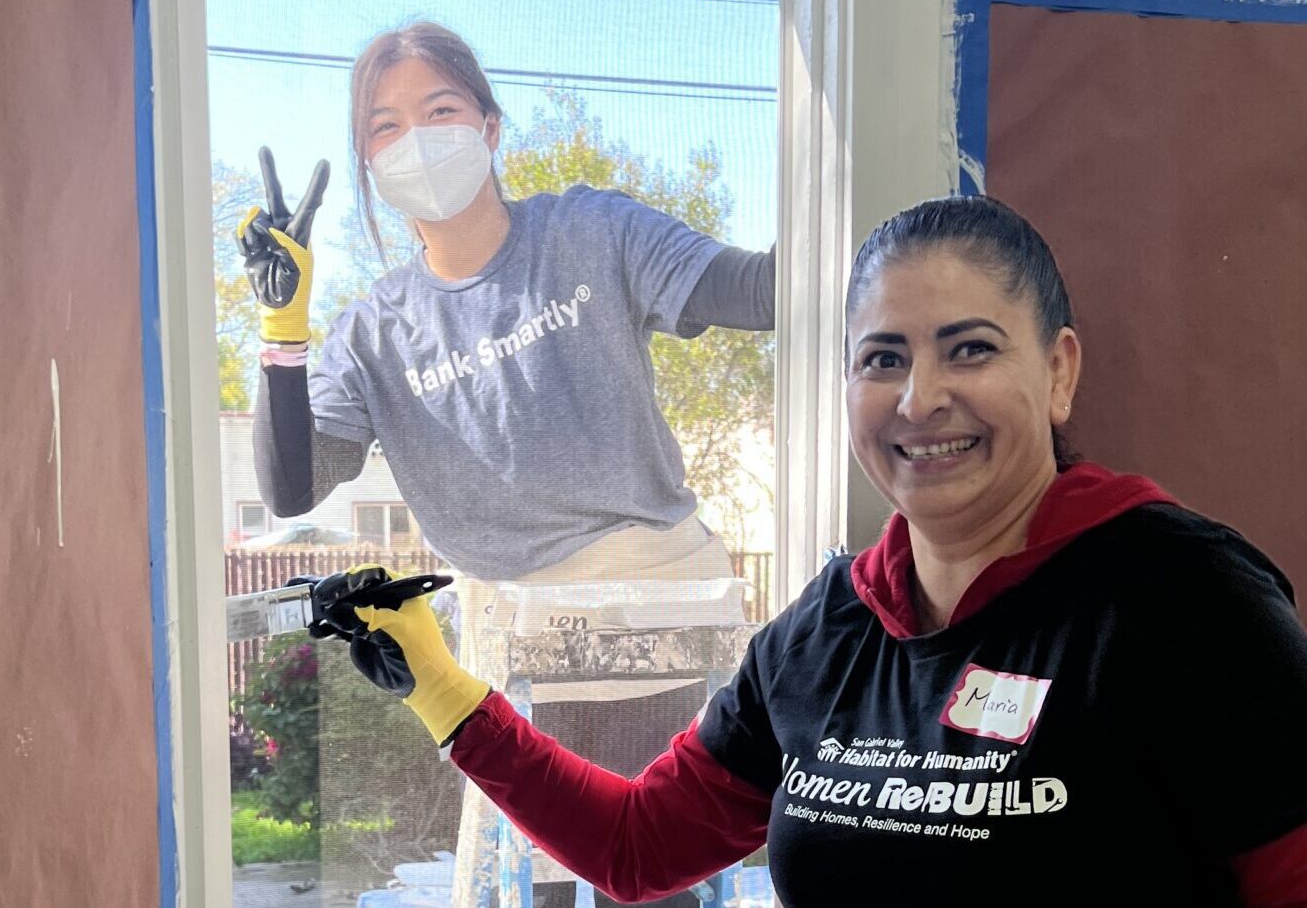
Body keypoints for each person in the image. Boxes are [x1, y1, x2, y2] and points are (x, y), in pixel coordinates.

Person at [316, 196, 1307, 907]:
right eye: (883, 358)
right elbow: (636, 846)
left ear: (1058, 371)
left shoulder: (1182, 599)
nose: (920, 397)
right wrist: (439, 686)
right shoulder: (826, 634)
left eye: (969, 348)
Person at [235, 21, 775, 905]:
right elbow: (291, 486)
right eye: (385, 126)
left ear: (489, 127)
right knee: (545, 891)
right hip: (515, 643)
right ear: (367, 162)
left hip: (656, 619)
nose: (416, 139)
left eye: (440, 110)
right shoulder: (374, 332)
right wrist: (281, 328)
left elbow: (751, 289)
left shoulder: (592, 231)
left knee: (649, 880)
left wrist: (885, 257)